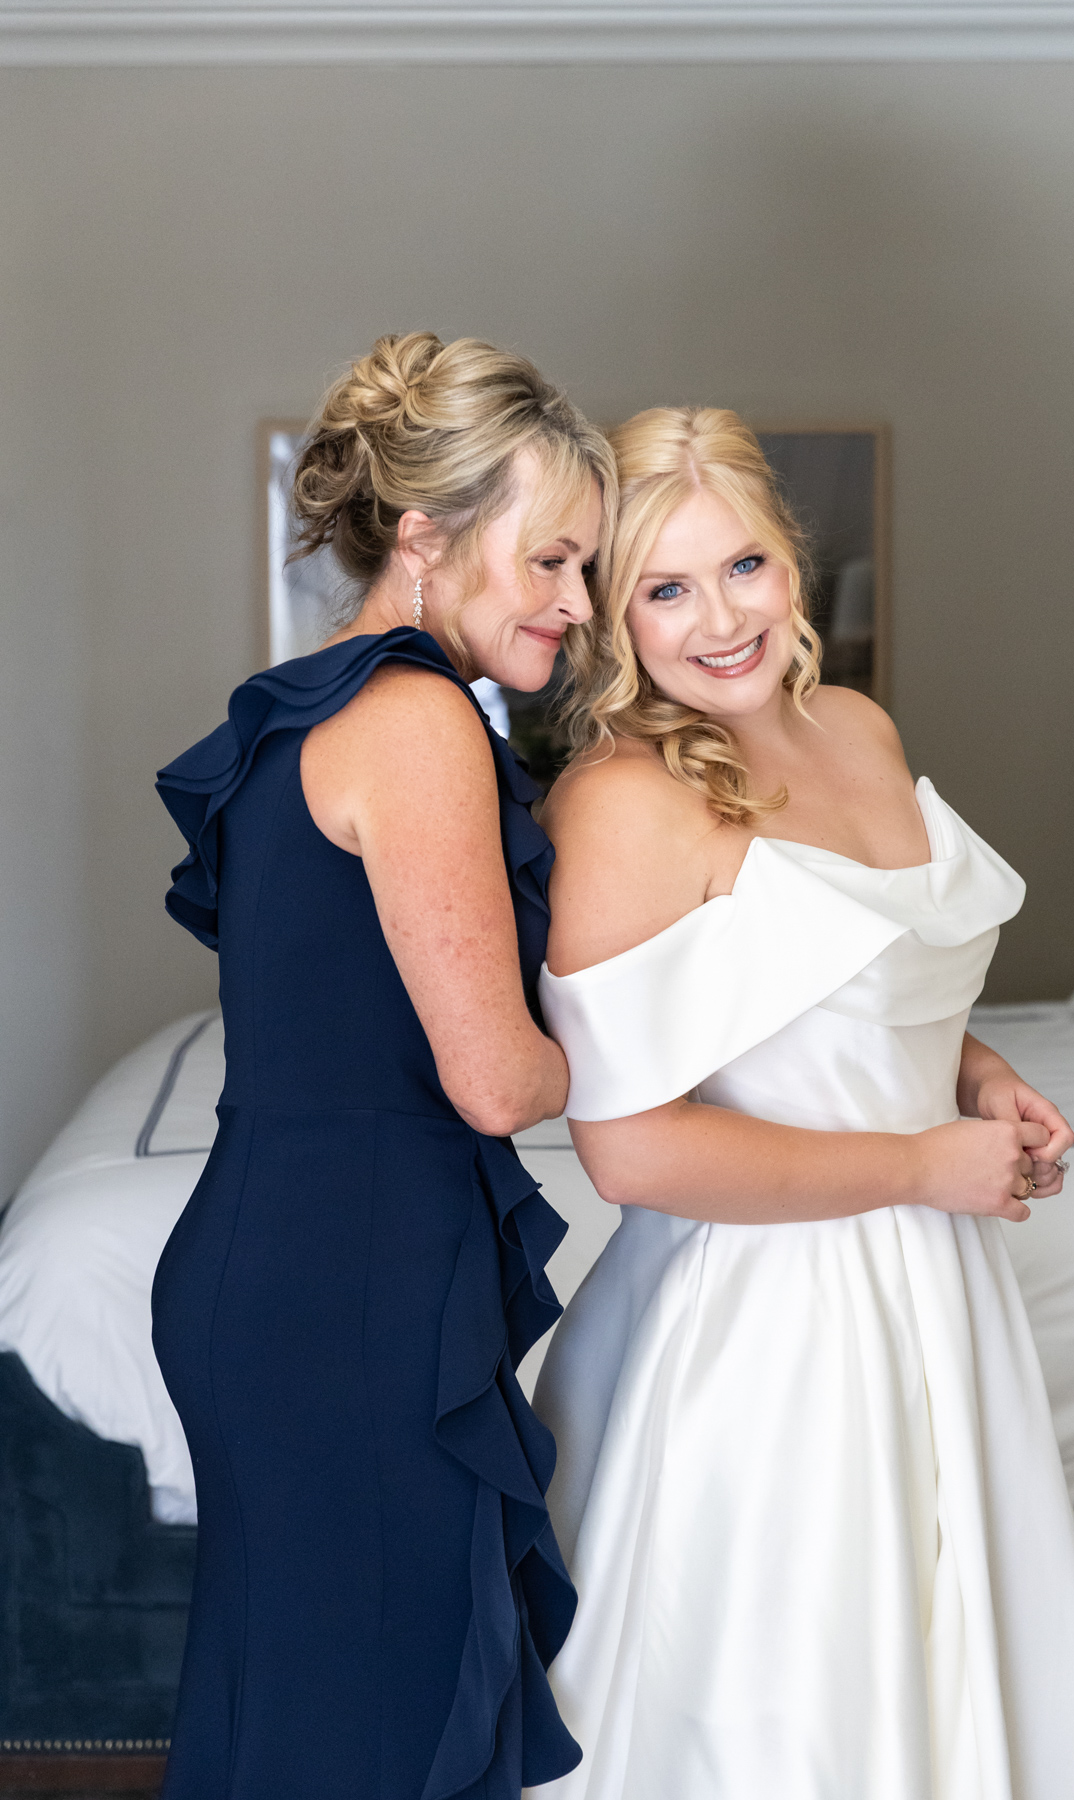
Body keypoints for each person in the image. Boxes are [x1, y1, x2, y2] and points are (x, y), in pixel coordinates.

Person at [527, 407, 1074, 1799]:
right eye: (665, 589)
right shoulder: (624, 800)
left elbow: (869, 979)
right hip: (770, 1319)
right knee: (794, 1698)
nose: (719, 619)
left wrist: (976, 1075)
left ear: (791, 558)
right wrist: (924, 1163)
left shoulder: (857, 727)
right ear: (614, 615)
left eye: (743, 565)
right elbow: (629, 1150)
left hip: (940, 1276)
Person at [152, 331, 614, 1800]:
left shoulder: (317, 699)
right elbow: (498, 1083)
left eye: (588, 567)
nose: (578, 603)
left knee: (307, 1723)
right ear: (425, 537)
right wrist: (638, 1056)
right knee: (376, 1734)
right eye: (551, 561)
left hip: (294, 1268)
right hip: (345, 1295)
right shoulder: (417, 722)